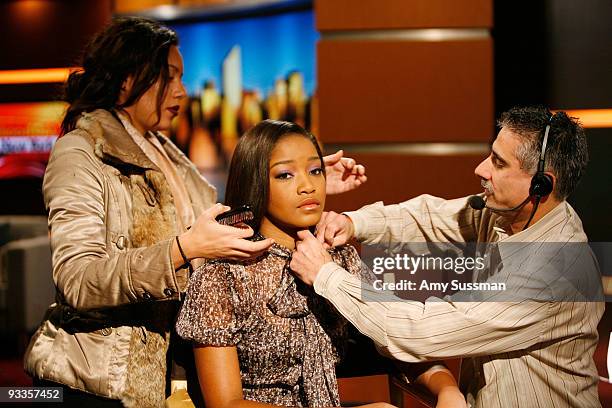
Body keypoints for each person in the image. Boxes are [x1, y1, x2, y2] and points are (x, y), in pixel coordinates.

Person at [23, 17, 367, 407]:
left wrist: (300, 186)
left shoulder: (170, 156)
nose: (182, 92)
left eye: (182, 78)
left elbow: (217, 227)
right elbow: (78, 279)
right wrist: (182, 250)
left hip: (163, 375)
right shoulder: (81, 152)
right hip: (93, 377)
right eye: (169, 78)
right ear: (126, 79)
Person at [290, 106, 605, 408]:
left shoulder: (552, 274)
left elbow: (420, 331)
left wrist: (326, 275)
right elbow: (429, 218)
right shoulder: (506, 214)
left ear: (540, 185)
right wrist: (354, 223)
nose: (480, 169)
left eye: (498, 163)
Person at [175, 119, 466, 408]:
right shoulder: (222, 277)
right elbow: (226, 404)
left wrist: (447, 389)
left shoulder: (341, 259)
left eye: (316, 171)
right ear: (256, 182)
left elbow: (398, 337)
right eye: (285, 175)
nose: (307, 186)